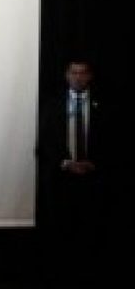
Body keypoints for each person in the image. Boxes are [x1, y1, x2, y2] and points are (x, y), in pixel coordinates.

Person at [39, 59, 107, 270]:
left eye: (82, 73)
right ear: (67, 76)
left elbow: (114, 140)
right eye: (74, 73)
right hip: (60, 177)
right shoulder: (52, 104)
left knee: (91, 228)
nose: (78, 77)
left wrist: (94, 163)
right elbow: (44, 142)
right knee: (60, 228)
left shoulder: (104, 105)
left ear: (90, 76)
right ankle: (61, 270)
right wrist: (65, 163)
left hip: (94, 178)